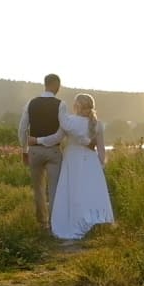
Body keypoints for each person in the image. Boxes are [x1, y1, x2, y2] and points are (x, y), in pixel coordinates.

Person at [30, 93, 114, 240]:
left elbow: (55, 139)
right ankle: (95, 221)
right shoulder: (98, 124)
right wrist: (100, 167)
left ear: (76, 106)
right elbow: (101, 149)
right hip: (91, 162)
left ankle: (74, 220)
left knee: (73, 191)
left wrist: (37, 140)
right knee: (90, 191)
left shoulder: (69, 122)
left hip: (73, 161)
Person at [18, 74, 65, 229]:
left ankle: (42, 223)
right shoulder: (61, 104)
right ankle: (55, 222)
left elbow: (22, 129)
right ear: (56, 85)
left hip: (35, 152)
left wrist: (24, 150)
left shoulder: (31, 103)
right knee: (54, 188)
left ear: (45, 84)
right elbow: (61, 133)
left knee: (38, 188)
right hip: (53, 151)